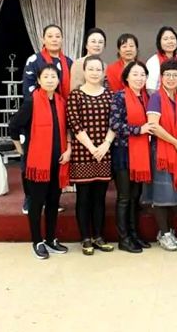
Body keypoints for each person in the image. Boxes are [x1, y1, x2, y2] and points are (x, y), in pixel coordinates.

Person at [10, 64, 71, 260]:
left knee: (53, 202)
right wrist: (22, 151)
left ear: (58, 80)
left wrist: (68, 150)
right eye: (46, 76)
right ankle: (37, 241)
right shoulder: (32, 102)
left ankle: (51, 239)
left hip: (57, 162)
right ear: (38, 80)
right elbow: (13, 126)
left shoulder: (61, 102)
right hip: (37, 164)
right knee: (36, 203)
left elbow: (66, 129)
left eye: (54, 76)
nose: (50, 80)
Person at [20, 24, 72, 215]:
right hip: (37, 116)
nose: (54, 39)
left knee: (55, 157)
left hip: (60, 114)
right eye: (50, 36)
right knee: (31, 157)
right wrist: (45, 105)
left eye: (58, 36)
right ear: (43, 39)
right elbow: (28, 89)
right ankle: (30, 198)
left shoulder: (68, 62)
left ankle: (51, 198)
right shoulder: (35, 60)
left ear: (62, 39)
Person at [66, 55, 115, 256]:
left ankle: (99, 236)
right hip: (82, 153)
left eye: (98, 69)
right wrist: (92, 147)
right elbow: (74, 123)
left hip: (105, 152)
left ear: (103, 73)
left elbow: (115, 121)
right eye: (91, 69)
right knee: (84, 198)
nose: (95, 73)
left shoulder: (110, 95)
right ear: (84, 72)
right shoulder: (75, 95)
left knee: (100, 198)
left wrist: (105, 144)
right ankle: (85, 237)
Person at [142, 58, 177, 251]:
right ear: (161, 77)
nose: (171, 78)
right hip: (161, 153)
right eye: (167, 75)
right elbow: (153, 126)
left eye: (175, 75)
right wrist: (176, 142)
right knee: (162, 196)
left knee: (174, 197)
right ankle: (164, 234)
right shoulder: (156, 98)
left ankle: (168, 231)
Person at [109, 61, 155, 254]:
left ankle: (134, 234)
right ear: (126, 77)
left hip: (141, 153)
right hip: (123, 152)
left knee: (136, 197)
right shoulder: (119, 96)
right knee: (125, 197)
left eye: (142, 74)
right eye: (135, 74)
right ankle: (124, 238)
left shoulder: (146, 97)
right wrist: (139, 130)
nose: (139, 78)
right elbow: (115, 124)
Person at [145, 26, 177, 93]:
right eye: (165, 39)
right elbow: (150, 89)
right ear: (159, 42)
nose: (170, 41)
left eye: (172, 38)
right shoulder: (153, 62)